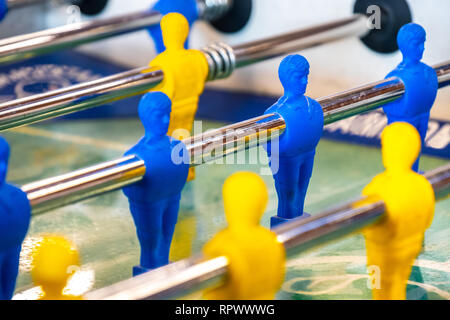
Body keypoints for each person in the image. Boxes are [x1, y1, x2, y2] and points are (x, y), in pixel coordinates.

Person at [122, 92, 189, 276]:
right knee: (151, 238)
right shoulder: (134, 156)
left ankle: (160, 266)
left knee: (167, 234)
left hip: (170, 196)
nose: (166, 120)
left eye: (168, 113)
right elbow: (127, 186)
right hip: (150, 202)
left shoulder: (177, 147)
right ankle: (150, 271)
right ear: (147, 118)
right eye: (160, 116)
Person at [264, 54, 324, 227]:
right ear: (287, 79)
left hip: (307, 152)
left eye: (307, 76)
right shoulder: (275, 112)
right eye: (300, 77)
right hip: (288, 158)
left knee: (303, 187)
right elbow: (267, 143)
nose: (305, 81)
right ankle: (287, 223)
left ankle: (297, 219)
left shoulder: (312, 105)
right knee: (288, 191)